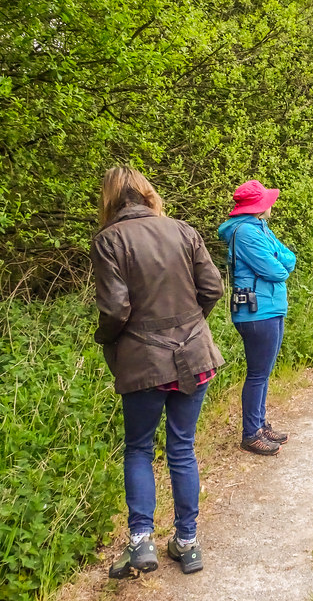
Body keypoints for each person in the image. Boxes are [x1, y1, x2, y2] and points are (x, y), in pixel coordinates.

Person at [91, 166, 225, 579]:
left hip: (145, 362)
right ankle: (187, 543)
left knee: (139, 449)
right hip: (195, 357)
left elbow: (115, 309)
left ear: (110, 200)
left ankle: (141, 542)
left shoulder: (108, 240)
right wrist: (189, 327)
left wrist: (107, 339)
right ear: (148, 194)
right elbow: (213, 288)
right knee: (182, 448)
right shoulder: (183, 231)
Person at [217, 180, 297, 456]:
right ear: (259, 206)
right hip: (256, 311)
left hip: (270, 306)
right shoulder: (246, 233)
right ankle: (251, 434)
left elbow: (290, 258)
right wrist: (278, 260)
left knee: (263, 373)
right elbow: (278, 271)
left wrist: (277, 258)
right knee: (257, 374)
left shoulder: (260, 228)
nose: (271, 205)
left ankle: (260, 425)